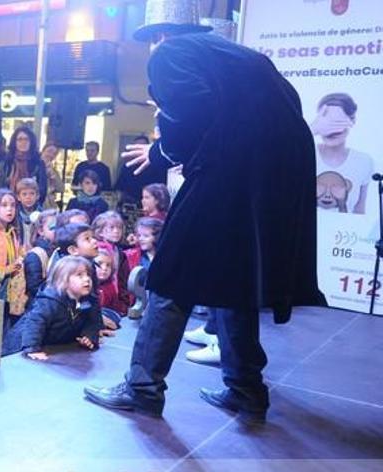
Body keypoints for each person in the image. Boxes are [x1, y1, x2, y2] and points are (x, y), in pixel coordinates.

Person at [83, 13, 323, 424]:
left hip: (230, 169)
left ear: (159, 36)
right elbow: (291, 106)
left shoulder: (170, 53)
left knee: (173, 272)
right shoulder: (242, 56)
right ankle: (246, 389)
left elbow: (188, 115)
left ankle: (143, 387)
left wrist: (160, 153)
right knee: (236, 275)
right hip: (281, 174)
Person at [14, 255, 102, 360]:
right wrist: (31, 349)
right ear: (63, 280)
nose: (87, 279)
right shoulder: (49, 302)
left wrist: (89, 337)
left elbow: (93, 323)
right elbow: (34, 323)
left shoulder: (89, 301)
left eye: (88, 275)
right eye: (80, 275)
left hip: (57, 349)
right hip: (19, 347)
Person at [311, 93, 375, 214]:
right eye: (326, 122)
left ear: (352, 120)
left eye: (337, 122)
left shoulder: (364, 162)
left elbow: (359, 211)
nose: (331, 130)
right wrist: (312, 129)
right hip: (304, 231)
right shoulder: (303, 154)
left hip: (345, 233)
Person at [0, 189, 28, 337]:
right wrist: (5, 269)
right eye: (4, 205)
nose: (9, 209)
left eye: (12, 205)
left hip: (12, 286)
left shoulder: (13, 232)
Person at [0, 126, 47, 205]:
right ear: (14, 142)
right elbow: (0, 187)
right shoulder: (7, 162)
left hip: (31, 207)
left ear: (31, 142)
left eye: (26, 139)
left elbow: (42, 189)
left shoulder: (38, 163)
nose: (23, 142)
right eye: (20, 139)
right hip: (10, 205)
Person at [23, 208, 59, 310]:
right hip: (39, 307)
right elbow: (34, 288)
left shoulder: (60, 250)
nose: (57, 231)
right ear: (41, 231)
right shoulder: (35, 255)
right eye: (52, 228)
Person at [113, 135, 167, 204]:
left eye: (141, 146)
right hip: (129, 206)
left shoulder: (158, 166)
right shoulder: (127, 167)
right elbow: (119, 187)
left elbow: (162, 189)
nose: (138, 150)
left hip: (152, 206)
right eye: (136, 147)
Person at [41, 143, 64, 209]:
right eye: (49, 151)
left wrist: (53, 175)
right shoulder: (34, 166)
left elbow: (61, 188)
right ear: (43, 151)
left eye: (54, 154)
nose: (51, 155)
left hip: (49, 206)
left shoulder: (53, 171)